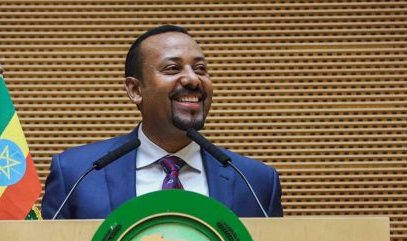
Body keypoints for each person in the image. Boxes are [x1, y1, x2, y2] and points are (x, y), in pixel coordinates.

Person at [42, 25, 283, 219]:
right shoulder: (78, 174)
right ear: (135, 90)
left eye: (200, 69)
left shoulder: (254, 181)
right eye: (172, 68)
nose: (192, 79)